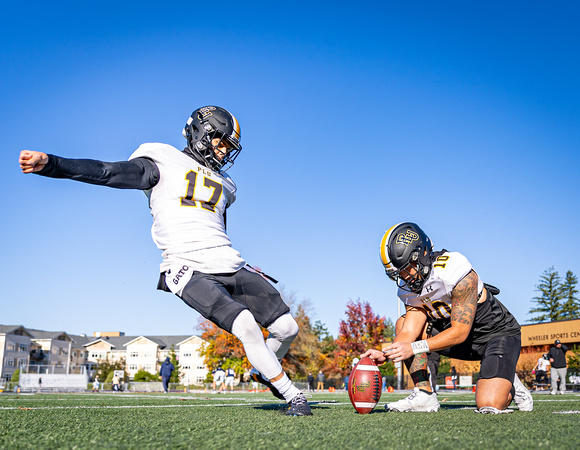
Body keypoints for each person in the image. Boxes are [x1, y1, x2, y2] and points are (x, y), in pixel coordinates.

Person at [19, 106, 311, 416]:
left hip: (227, 262)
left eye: (229, 146)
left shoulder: (227, 184)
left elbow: (216, 225)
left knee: (287, 327)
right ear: (200, 133)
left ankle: (263, 370)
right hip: (187, 266)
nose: (224, 151)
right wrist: (53, 164)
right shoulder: (163, 161)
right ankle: (294, 396)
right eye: (220, 141)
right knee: (246, 326)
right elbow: (106, 171)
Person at [362, 222, 533, 414]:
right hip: (458, 339)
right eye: (398, 272)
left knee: (490, 403)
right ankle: (424, 394)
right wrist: (385, 354)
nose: (405, 276)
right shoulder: (407, 287)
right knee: (402, 323)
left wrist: (413, 347)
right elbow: (409, 330)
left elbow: (460, 331)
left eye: (407, 268)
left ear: (422, 253)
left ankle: (508, 378)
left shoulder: (453, 269)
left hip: (495, 334)